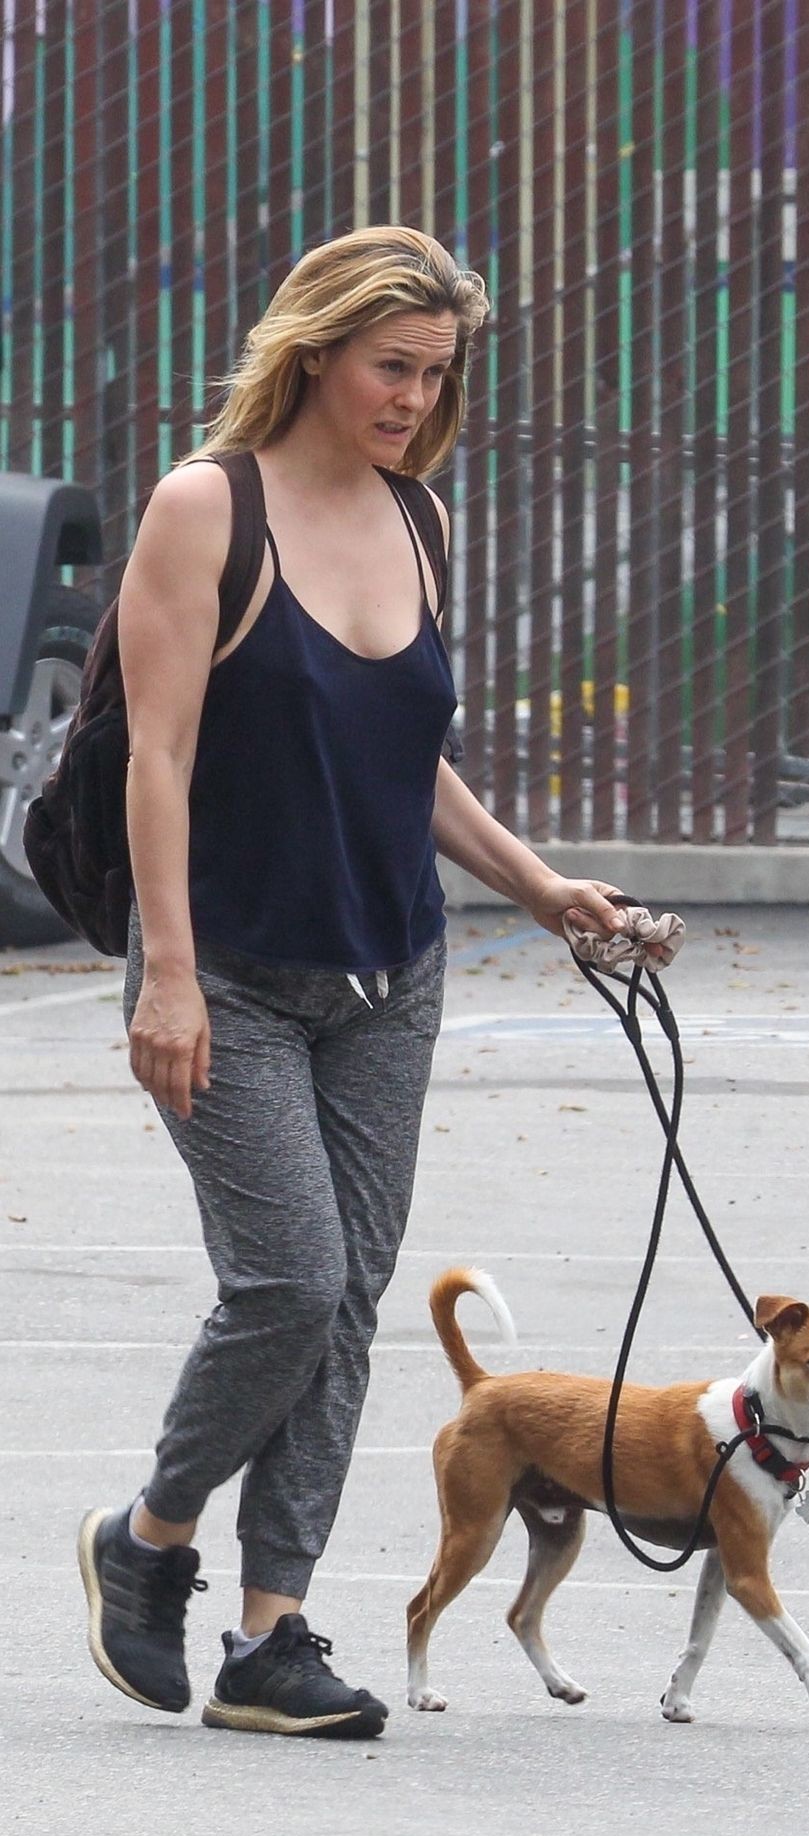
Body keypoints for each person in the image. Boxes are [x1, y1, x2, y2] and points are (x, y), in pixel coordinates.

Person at [77, 227, 646, 1741]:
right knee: (290, 1282)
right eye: (393, 367)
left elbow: (407, 761)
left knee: (349, 1306)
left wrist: (543, 888)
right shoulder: (209, 508)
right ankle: (150, 1536)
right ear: (316, 350)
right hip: (230, 969)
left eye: (438, 374)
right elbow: (158, 755)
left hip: (391, 971)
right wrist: (170, 977)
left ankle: (272, 1636)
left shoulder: (419, 516)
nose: (415, 399)